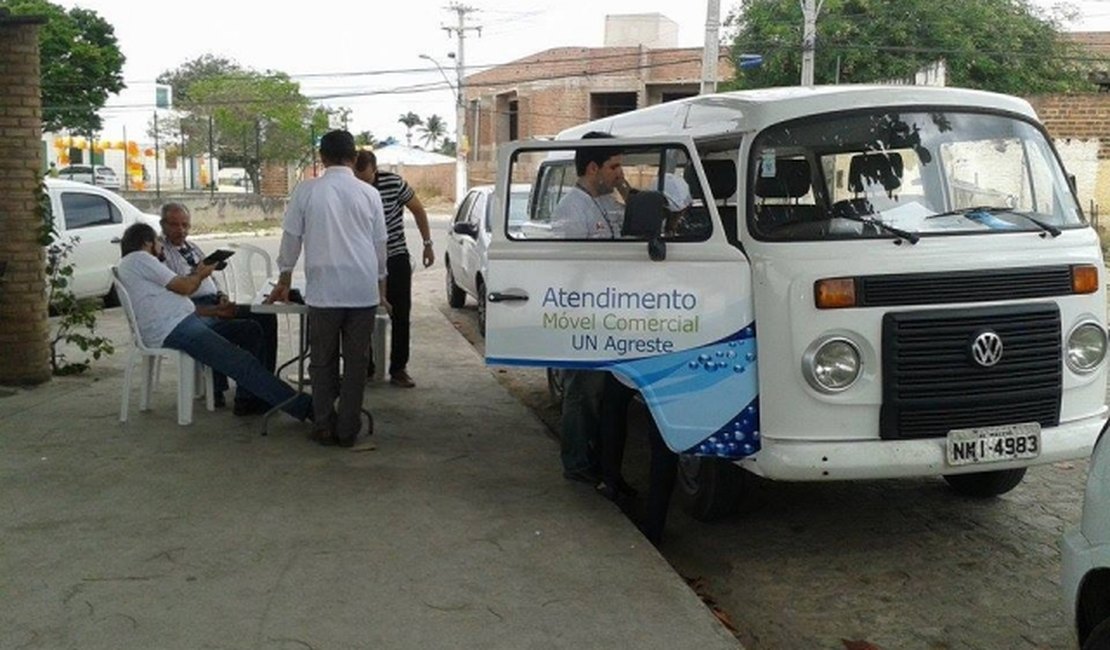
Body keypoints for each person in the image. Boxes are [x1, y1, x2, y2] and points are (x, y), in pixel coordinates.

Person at [115, 223, 312, 422]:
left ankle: (250, 398)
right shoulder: (140, 258)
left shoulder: (134, 264)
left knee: (250, 330)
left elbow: (175, 304)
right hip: (173, 329)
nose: (161, 246)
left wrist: (216, 310)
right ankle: (307, 408)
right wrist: (201, 273)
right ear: (147, 242)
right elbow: (185, 287)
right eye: (157, 241)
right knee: (241, 361)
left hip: (182, 322)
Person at [269, 130, 390, 448]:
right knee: (355, 362)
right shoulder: (369, 193)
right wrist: (382, 290)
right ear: (354, 158)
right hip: (362, 290)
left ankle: (322, 424)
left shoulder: (307, 191)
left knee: (322, 361)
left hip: (324, 291)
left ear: (321, 157)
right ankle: (348, 429)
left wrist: (284, 279)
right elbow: (380, 246)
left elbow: (291, 238)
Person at [551, 132, 629, 484]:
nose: (619, 173)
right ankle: (578, 465)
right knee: (582, 394)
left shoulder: (607, 201)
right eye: (614, 166)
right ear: (593, 167)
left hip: (607, 313)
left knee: (601, 395)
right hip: (583, 315)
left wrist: (625, 191)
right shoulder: (572, 209)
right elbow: (570, 270)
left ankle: (598, 463)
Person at [158, 202, 279, 414]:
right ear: (163, 225)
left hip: (213, 300)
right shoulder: (162, 254)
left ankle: (263, 384)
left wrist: (222, 296)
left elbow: (212, 278)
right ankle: (247, 396)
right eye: (175, 225)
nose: (181, 230)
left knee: (265, 316)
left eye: (185, 225)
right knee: (248, 328)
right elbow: (178, 291)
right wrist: (210, 302)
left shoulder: (193, 247)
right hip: (193, 309)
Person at [353, 150, 434, 388]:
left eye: (366, 179)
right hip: (362, 259)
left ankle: (398, 368)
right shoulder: (350, 185)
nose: (362, 185)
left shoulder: (393, 183)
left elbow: (418, 209)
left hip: (395, 256)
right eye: (358, 179)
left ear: (374, 170)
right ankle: (365, 367)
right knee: (360, 314)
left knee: (400, 314)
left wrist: (428, 244)